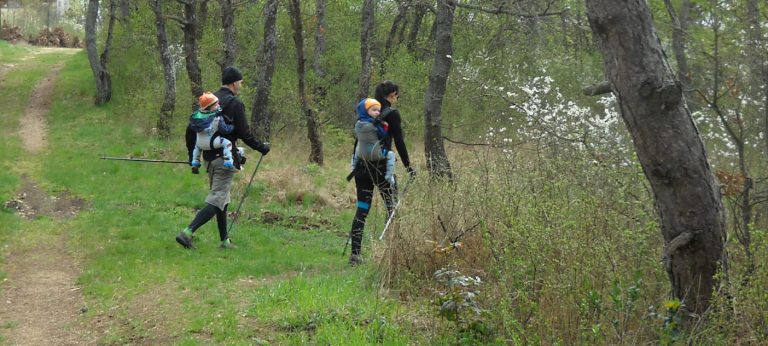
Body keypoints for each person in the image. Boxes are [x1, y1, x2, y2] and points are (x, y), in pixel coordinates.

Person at [176, 66, 271, 249]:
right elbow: (244, 133)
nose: (241, 85)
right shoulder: (235, 104)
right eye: (241, 82)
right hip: (225, 159)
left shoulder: (209, 102)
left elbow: (191, 130)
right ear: (235, 83)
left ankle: (224, 241)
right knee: (217, 198)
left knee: (222, 199)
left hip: (209, 159)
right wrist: (261, 148)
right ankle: (187, 233)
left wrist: (192, 156)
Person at [347, 80, 414, 265]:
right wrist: (409, 167)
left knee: (362, 209)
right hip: (383, 169)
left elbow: (358, 144)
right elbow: (399, 141)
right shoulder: (391, 114)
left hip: (362, 168)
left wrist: (354, 164)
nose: (397, 97)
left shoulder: (364, 114)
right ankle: (392, 254)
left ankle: (355, 255)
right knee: (391, 208)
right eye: (396, 94)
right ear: (391, 94)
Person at [351, 98, 397, 185]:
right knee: (391, 155)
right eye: (374, 110)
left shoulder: (358, 124)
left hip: (362, 154)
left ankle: (353, 167)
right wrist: (385, 127)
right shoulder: (374, 124)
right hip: (375, 154)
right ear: (365, 110)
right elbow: (383, 135)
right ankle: (389, 175)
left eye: (378, 111)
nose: (377, 113)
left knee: (357, 149)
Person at [190, 92, 235, 170]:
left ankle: (195, 161)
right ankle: (228, 160)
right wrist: (232, 126)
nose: (218, 105)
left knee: (196, 147)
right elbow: (225, 130)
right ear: (210, 107)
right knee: (227, 143)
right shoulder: (216, 118)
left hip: (200, 144)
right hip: (213, 143)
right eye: (216, 104)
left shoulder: (196, 118)